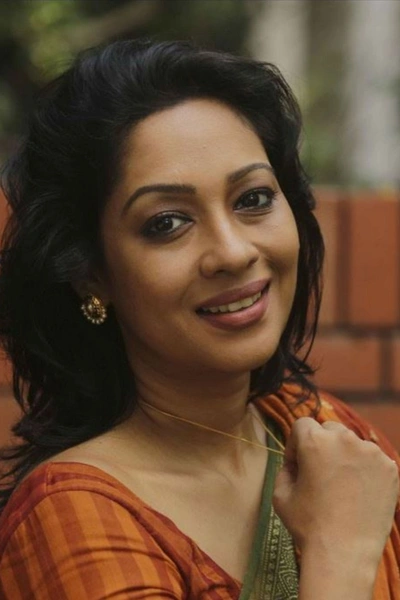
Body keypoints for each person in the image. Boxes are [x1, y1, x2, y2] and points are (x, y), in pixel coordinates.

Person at [0, 39, 398, 600]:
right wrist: (339, 554)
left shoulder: (330, 438)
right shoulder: (70, 519)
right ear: (91, 274)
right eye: (167, 223)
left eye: (253, 199)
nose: (233, 252)